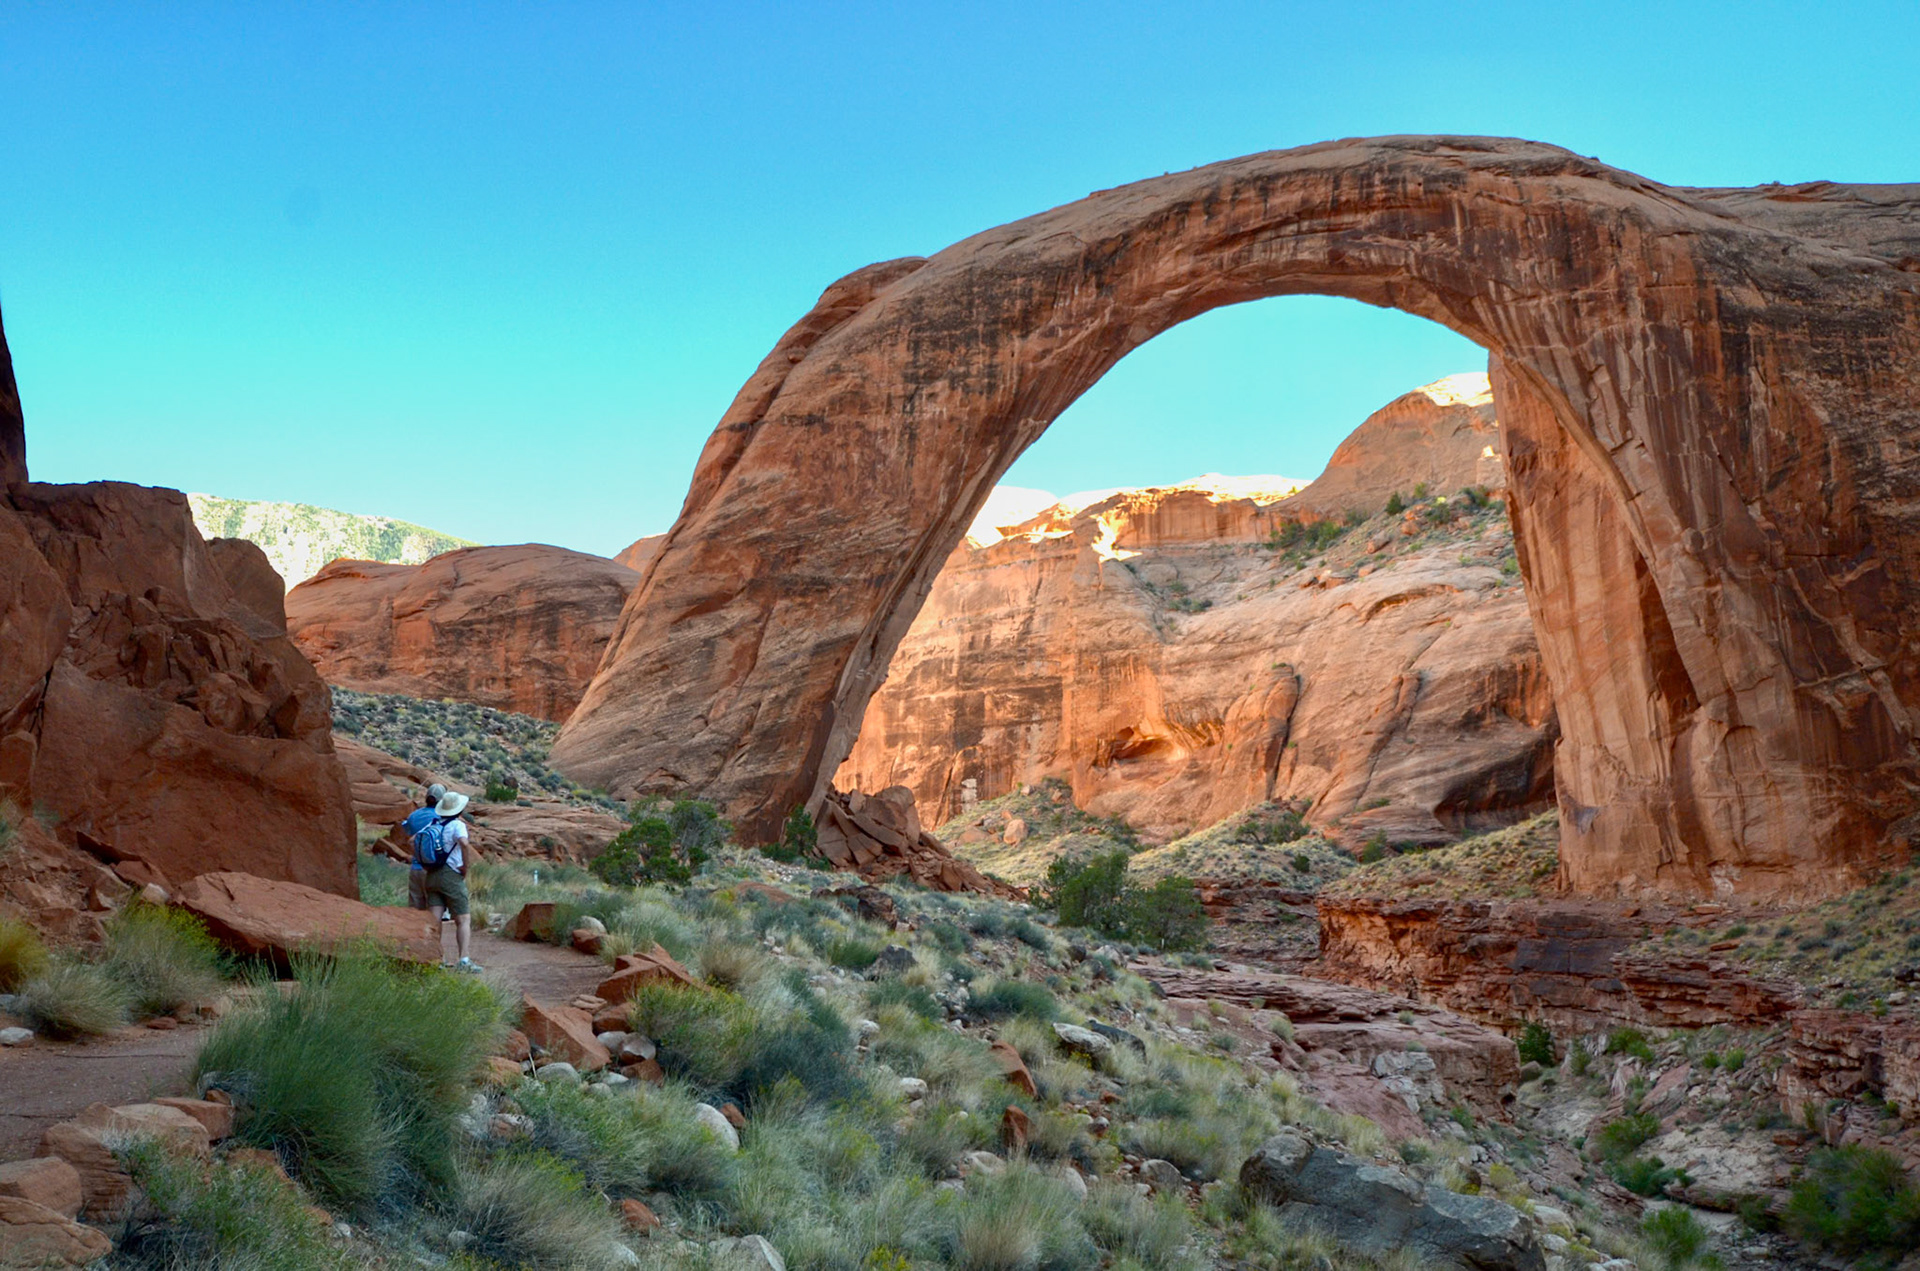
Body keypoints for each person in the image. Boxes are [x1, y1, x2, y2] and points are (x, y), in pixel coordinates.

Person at [412, 789, 482, 973]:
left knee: (435, 920)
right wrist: (465, 866)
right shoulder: (457, 825)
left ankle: (437, 960)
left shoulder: (434, 823)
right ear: (459, 809)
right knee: (463, 919)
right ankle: (464, 960)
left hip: (432, 875)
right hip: (451, 875)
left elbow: (414, 841)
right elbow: (464, 843)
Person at [400, 783, 449, 915]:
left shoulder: (414, 815)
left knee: (415, 913)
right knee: (436, 913)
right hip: (435, 870)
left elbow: (406, 831)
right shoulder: (443, 818)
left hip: (416, 868)